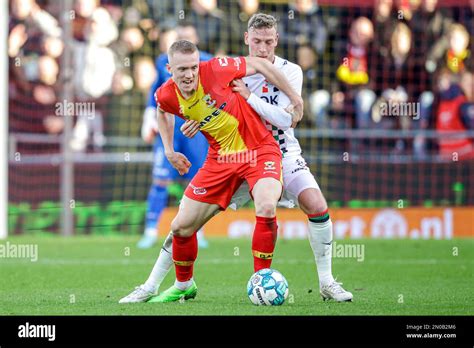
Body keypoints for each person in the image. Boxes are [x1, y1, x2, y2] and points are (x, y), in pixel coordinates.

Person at [120, 13, 351, 304]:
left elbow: (285, 119)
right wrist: (179, 138)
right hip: (224, 158)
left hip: (274, 150)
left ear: (277, 40)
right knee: (182, 226)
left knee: (300, 206)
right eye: (257, 41)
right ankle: (161, 285)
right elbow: (169, 108)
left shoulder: (278, 71)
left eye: (269, 41)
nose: (263, 47)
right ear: (247, 40)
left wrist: (296, 100)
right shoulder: (208, 76)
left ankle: (315, 282)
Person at [137, 23, 212, 249]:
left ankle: (198, 231)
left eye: (188, 36)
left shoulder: (208, 61)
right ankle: (151, 230)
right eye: (181, 37)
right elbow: (155, 94)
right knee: (161, 179)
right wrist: (148, 119)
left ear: (196, 38)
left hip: (196, 130)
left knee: (198, 180)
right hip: (168, 126)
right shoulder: (163, 62)